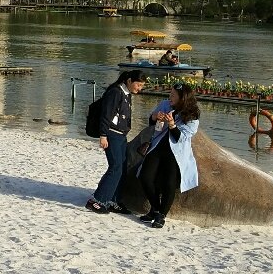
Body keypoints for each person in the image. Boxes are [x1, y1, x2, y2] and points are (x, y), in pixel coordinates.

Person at [136, 84, 202, 228]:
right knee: (145, 177)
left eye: (173, 95)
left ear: (182, 98)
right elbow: (151, 122)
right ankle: (155, 208)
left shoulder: (192, 114)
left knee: (169, 184)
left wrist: (172, 124)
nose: (169, 97)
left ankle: (161, 215)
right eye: (170, 94)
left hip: (176, 152)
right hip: (157, 146)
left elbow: (180, 138)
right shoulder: (165, 104)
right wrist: (155, 117)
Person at [86, 70, 149, 214]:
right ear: (129, 81)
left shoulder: (126, 93)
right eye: (138, 85)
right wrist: (103, 135)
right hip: (111, 134)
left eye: (141, 86)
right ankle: (96, 200)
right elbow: (106, 114)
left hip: (121, 135)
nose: (139, 88)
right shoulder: (115, 92)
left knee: (122, 167)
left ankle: (112, 200)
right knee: (115, 167)